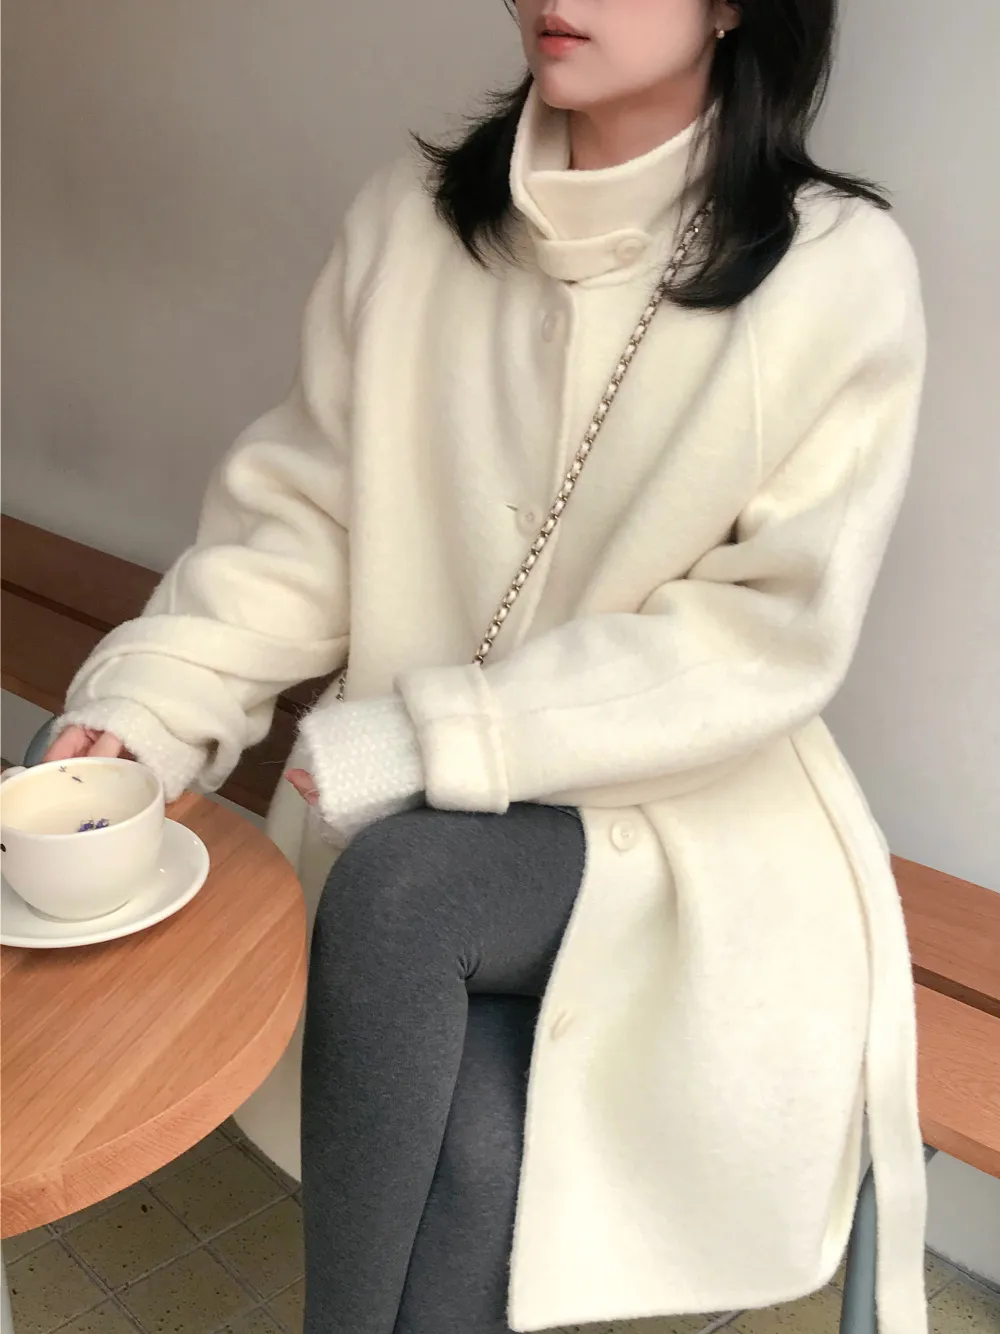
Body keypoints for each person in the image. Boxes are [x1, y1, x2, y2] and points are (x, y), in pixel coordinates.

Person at [46, 0, 928, 1330]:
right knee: (473, 1140)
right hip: (425, 842)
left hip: (681, 821)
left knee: (406, 892)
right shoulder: (408, 225)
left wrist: (425, 743)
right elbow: (306, 530)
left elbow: (760, 636)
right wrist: (150, 706)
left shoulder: (834, 270)